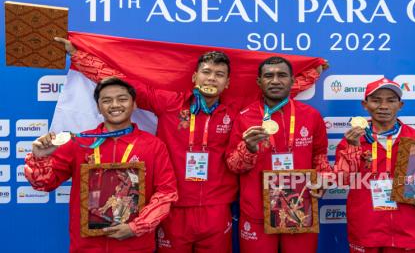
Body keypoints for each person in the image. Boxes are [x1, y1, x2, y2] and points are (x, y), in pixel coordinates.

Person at [55, 37, 238, 253]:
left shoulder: (233, 116)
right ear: (194, 77)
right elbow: (125, 86)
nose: (211, 78)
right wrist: (79, 56)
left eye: (219, 75)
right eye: (206, 72)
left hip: (215, 210)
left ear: (227, 82)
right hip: (173, 209)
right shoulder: (170, 103)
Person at [24, 77, 177, 253]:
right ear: (98, 107)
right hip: (87, 246)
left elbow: (167, 193)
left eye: (122, 99)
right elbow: (43, 184)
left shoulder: (153, 145)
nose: (115, 105)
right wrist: (39, 157)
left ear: (134, 104)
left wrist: (136, 227)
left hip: (135, 246)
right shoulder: (79, 142)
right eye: (106, 100)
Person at [334, 77, 415, 253]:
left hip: (407, 230)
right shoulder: (354, 139)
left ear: (400, 105)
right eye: (376, 100)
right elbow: (343, 179)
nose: (383, 106)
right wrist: (353, 148)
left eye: (391, 100)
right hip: (366, 228)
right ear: (365, 104)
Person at [226, 56, 332, 253]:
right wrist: (248, 148)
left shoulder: (311, 115)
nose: (275, 81)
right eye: (269, 76)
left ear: (292, 80)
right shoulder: (244, 117)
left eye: (282, 75)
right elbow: (233, 166)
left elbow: (320, 155)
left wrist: (324, 178)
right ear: (259, 82)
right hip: (257, 213)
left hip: (300, 209)